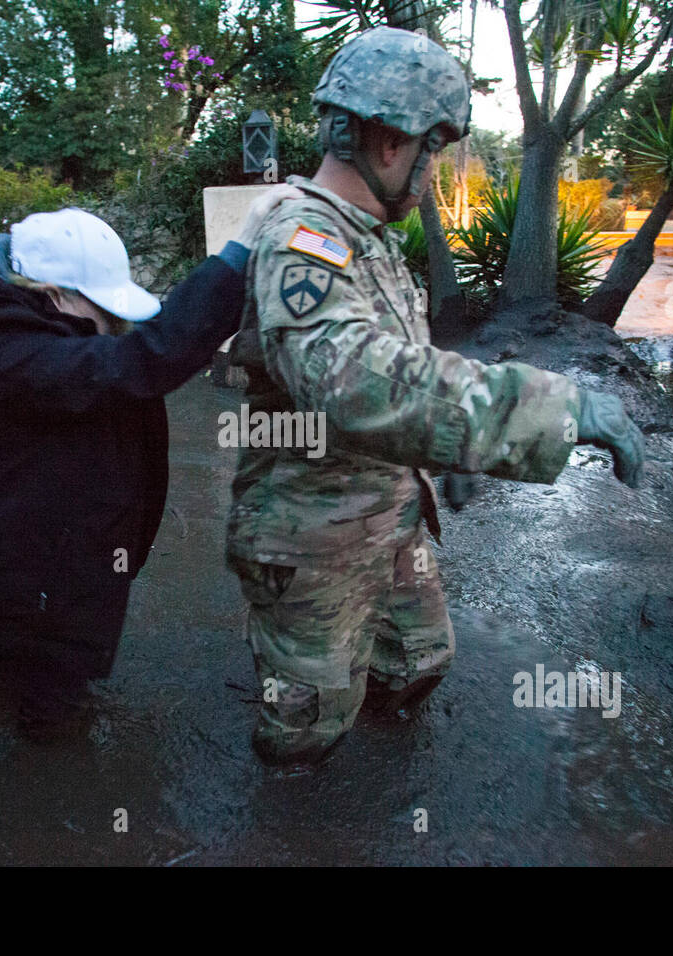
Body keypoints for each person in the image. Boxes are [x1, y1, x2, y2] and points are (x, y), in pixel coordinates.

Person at [226, 27, 646, 766]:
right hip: (310, 535)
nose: (431, 171)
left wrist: (444, 444)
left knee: (416, 663)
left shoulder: (368, 236)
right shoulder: (303, 241)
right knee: (306, 728)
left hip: (389, 514)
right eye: (434, 151)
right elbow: (352, 381)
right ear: (392, 142)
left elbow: (405, 361)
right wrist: (554, 409)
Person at [0, 188, 301, 741]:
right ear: (53, 296)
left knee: (47, 656)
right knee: (54, 703)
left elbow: (134, 361)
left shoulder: (40, 336)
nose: (112, 319)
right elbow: (140, 363)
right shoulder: (15, 352)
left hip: (11, 561)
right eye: (100, 305)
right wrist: (238, 252)